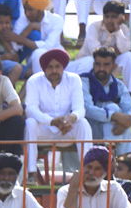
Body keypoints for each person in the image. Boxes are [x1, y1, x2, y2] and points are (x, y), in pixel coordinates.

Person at [24, 48, 92, 184]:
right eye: (50, 67)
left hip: (66, 129)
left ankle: (88, 170)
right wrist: (51, 121)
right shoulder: (34, 81)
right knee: (30, 122)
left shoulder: (73, 79)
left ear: (63, 67)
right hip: (43, 129)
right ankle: (31, 172)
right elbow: (30, 109)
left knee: (83, 123)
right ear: (44, 68)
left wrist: (69, 119)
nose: (54, 70)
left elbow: (79, 109)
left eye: (57, 66)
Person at [67, 1, 131, 91]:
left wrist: (117, 28)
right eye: (107, 16)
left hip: (108, 67)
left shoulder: (124, 29)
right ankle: (79, 91)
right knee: (92, 60)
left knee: (130, 57)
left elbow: (125, 49)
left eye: (114, 17)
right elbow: (97, 54)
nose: (109, 20)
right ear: (103, 16)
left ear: (121, 18)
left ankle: (128, 93)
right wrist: (115, 50)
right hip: (86, 66)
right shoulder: (94, 27)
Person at [81, 48, 131, 153]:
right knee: (113, 108)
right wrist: (114, 115)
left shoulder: (119, 85)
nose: (101, 68)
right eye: (98, 64)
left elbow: (130, 109)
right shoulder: (84, 82)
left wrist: (128, 120)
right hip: (89, 128)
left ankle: (111, 155)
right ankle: (119, 157)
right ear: (93, 65)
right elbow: (87, 109)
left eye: (106, 65)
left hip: (111, 129)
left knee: (122, 120)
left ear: (114, 67)